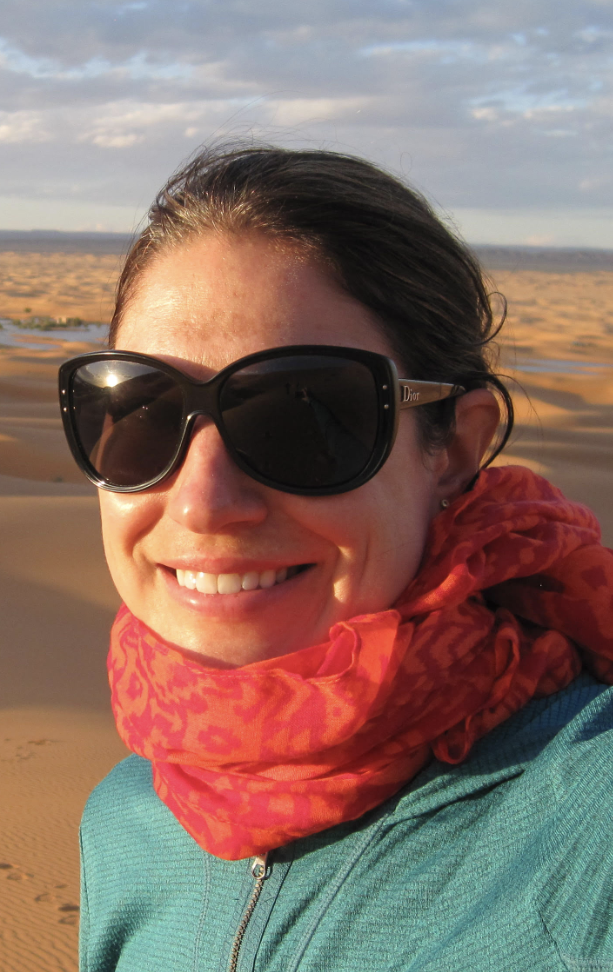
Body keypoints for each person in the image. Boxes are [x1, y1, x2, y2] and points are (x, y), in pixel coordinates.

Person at [57, 145, 613, 971]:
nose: (203, 501)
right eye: (142, 412)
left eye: (303, 415)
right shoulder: (130, 822)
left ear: (455, 449)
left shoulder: (587, 827)